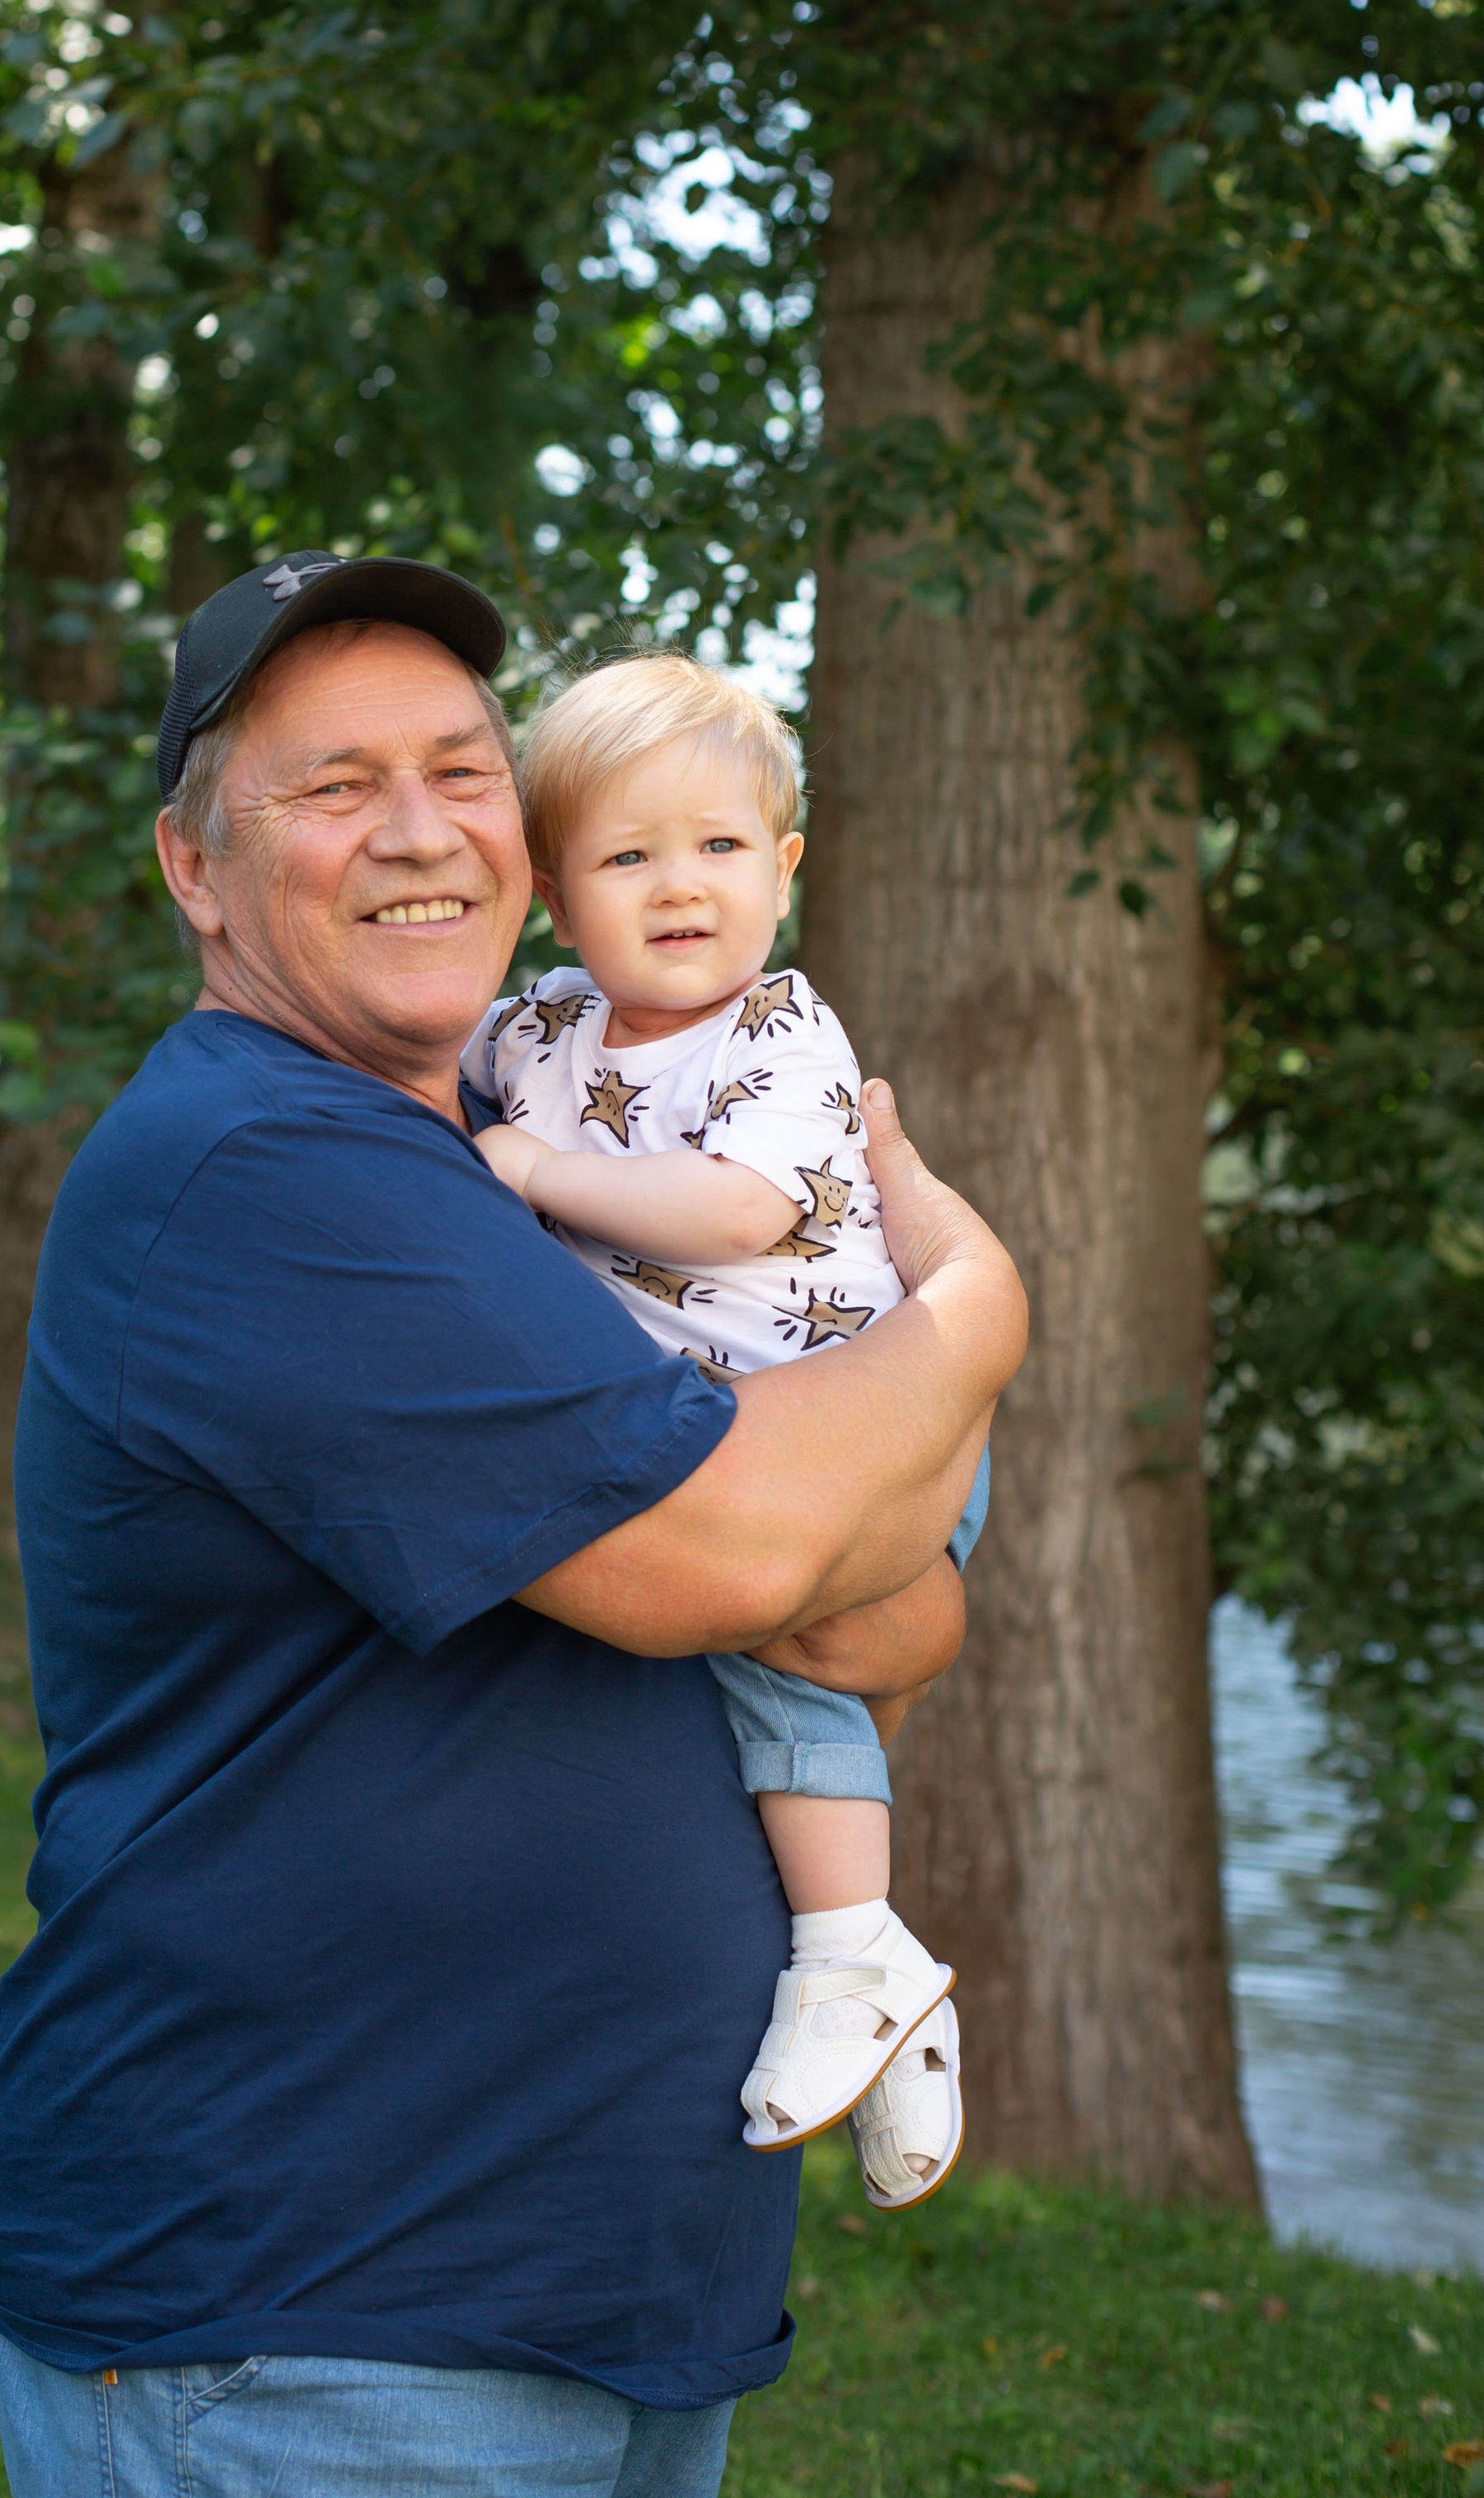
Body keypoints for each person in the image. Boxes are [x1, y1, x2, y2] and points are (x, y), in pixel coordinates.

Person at [0, 550, 1026, 2498]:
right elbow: (735, 1565)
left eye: (461, 772)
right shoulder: (269, 1167)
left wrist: (835, 1515)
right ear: (194, 868)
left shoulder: (496, 1160)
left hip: (593, 2273)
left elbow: (881, 1631)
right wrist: (974, 1314)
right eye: (332, 786)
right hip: (311, 2298)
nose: (420, 832)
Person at [464, 651, 984, 2212]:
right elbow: (429, 1084)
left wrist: (533, 1176)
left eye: (721, 847)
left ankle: (853, 1960)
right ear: (556, 893)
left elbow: (741, 1209)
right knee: (753, 1713)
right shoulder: (544, 1029)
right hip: (740, 1444)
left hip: (861, 1437)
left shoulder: (777, 1033)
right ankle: (886, 2016)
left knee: (779, 1681)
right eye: (629, 856)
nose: (680, 887)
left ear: (785, 866)